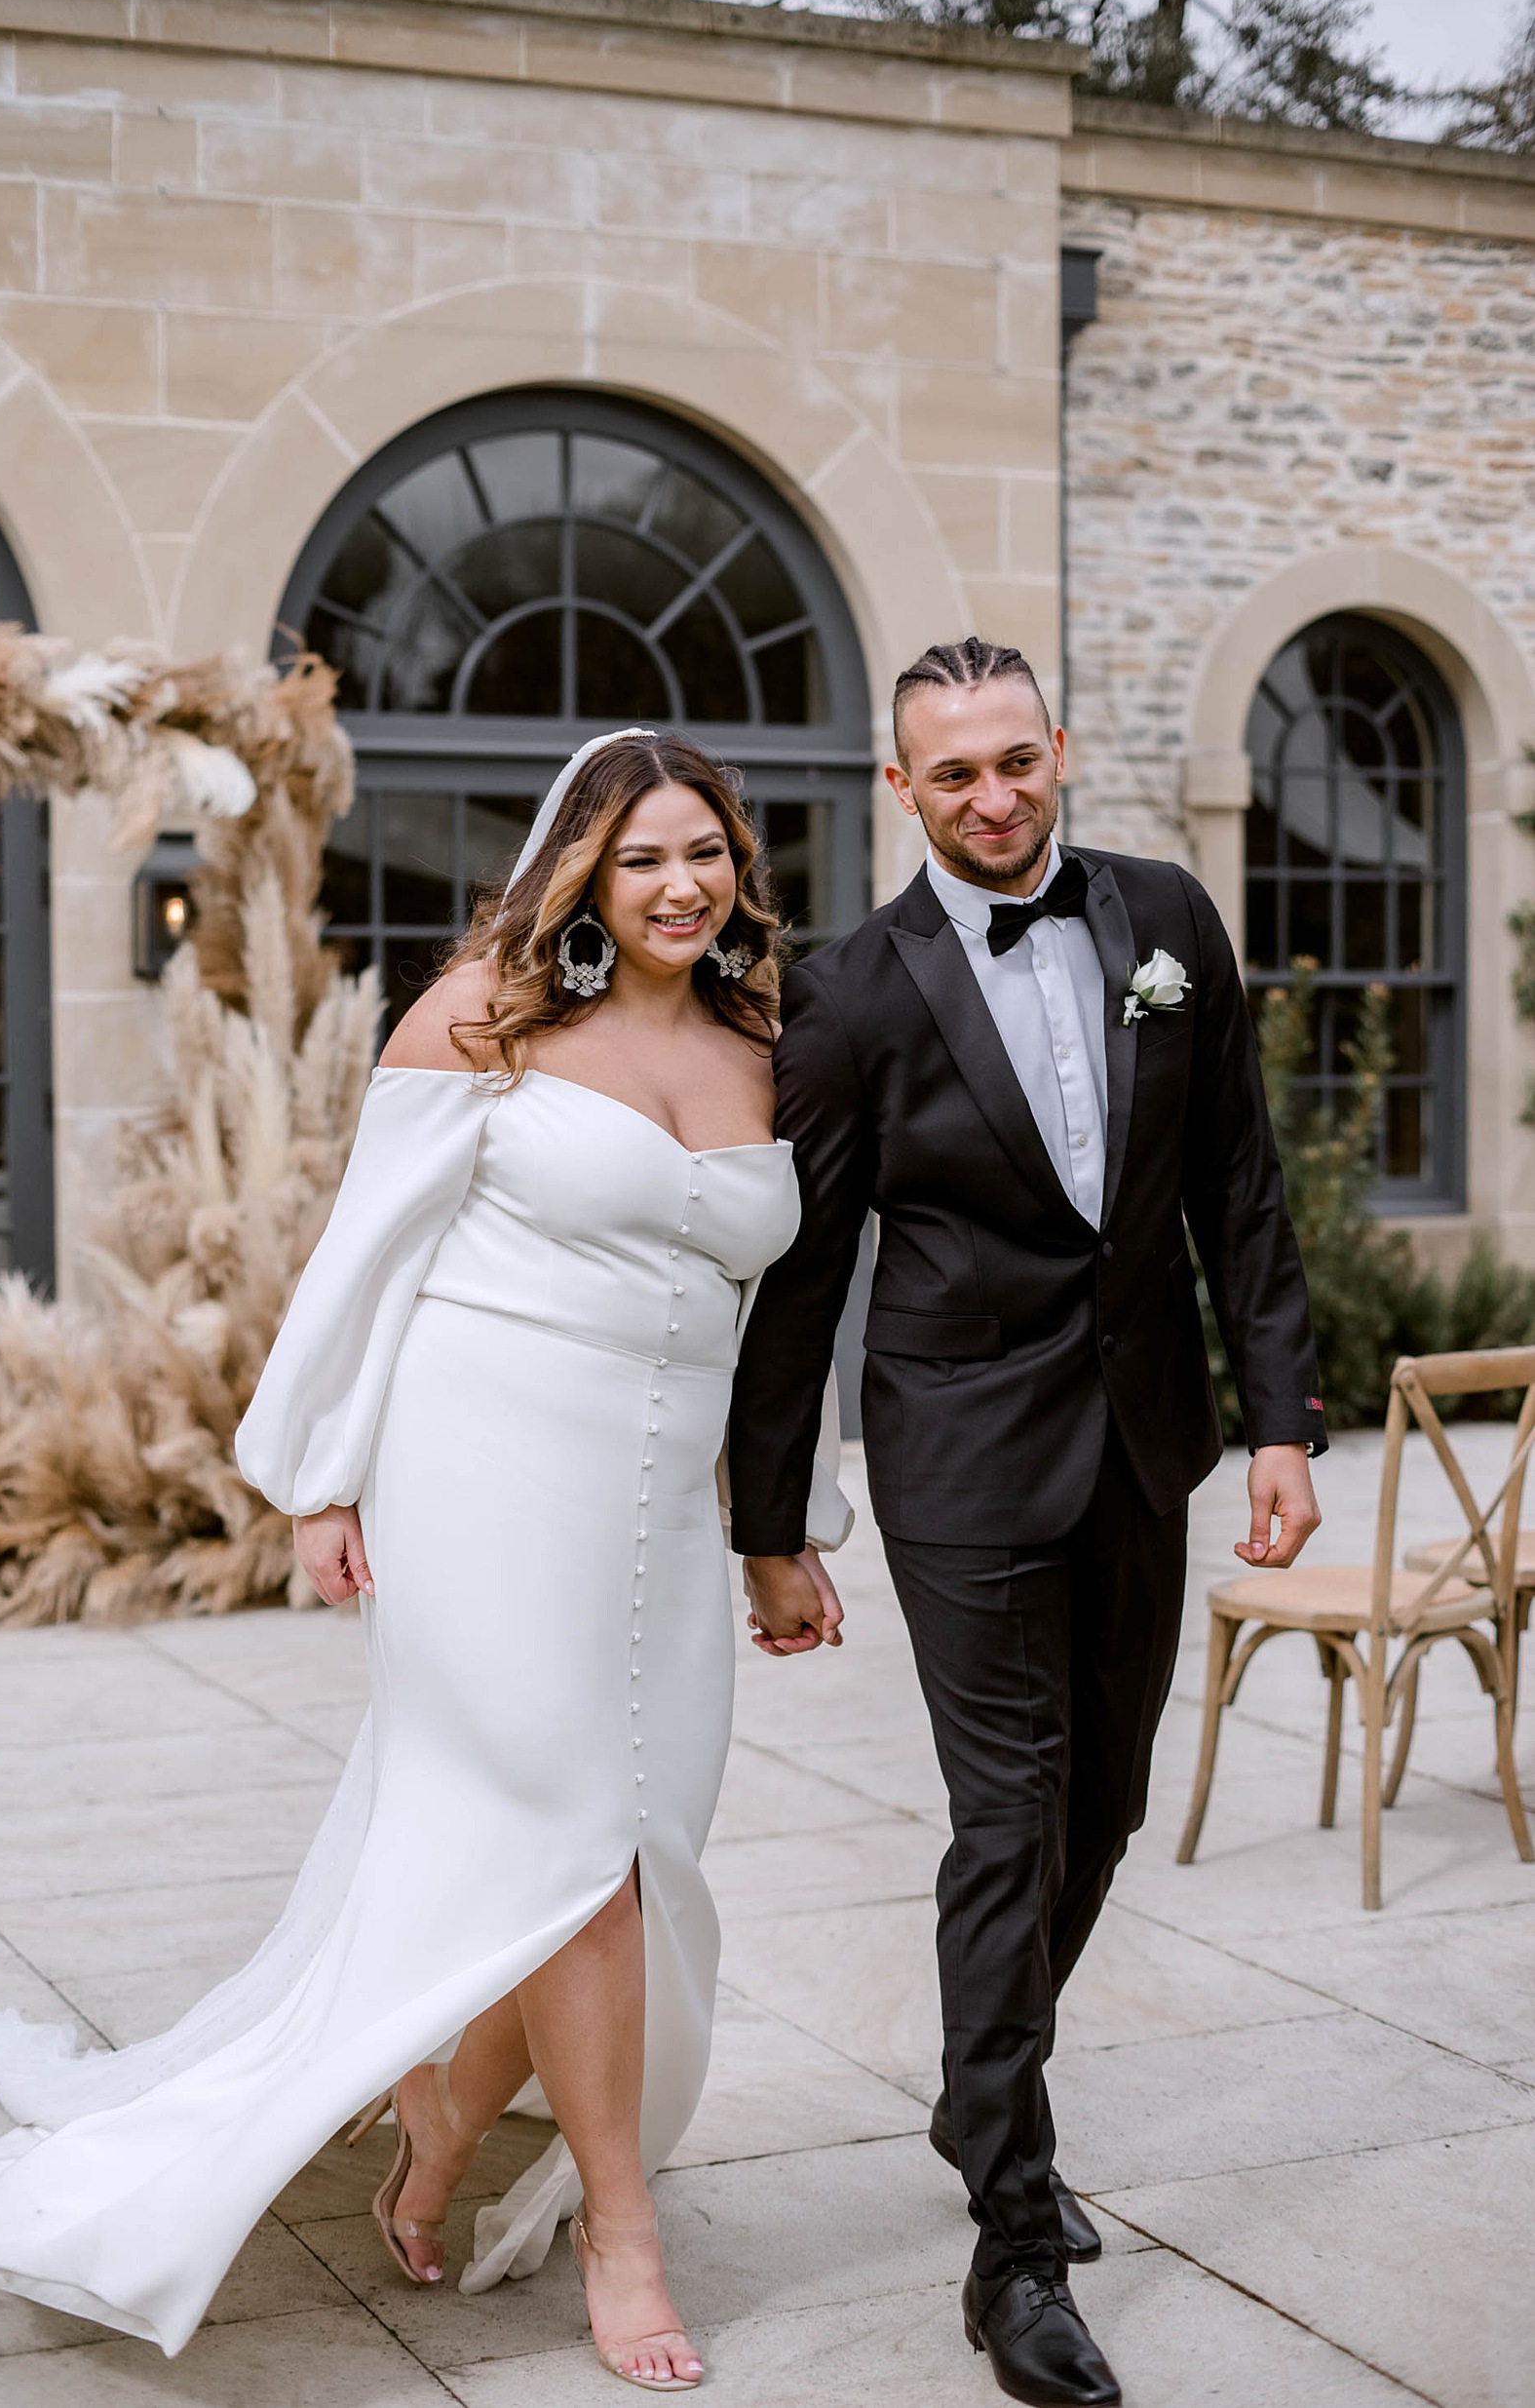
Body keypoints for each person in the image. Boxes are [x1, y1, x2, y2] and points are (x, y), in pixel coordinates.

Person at [0, 727, 851, 2381]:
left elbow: (787, 1328)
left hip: (665, 1506)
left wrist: (790, 1526)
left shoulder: (770, 1042)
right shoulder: (482, 1012)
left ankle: (442, 2117)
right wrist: (325, 1481)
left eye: (707, 853)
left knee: (623, 1842)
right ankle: (624, 2238)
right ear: (584, 878)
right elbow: (365, 1255)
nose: (682, 884)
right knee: (585, 1850)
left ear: (741, 871)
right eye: (644, 857)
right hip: (483, 1467)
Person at [725, 638, 1325, 2408]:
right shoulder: (849, 994)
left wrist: (1282, 1421)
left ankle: (981, 2086)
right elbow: (805, 1271)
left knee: (1111, 1803)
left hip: (1146, 1438)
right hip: (962, 1455)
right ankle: (1011, 2239)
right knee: (1012, 1822)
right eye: (954, 775)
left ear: (1058, 749)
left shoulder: (1166, 920)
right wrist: (780, 1521)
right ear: (896, 791)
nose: (995, 798)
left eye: (1018, 760)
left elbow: (1240, 1179)